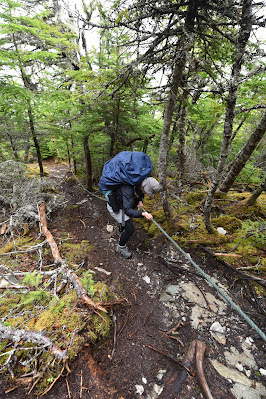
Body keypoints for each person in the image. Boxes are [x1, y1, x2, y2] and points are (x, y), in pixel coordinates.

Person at [107, 177, 161, 259]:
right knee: (130, 228)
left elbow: (140, 194)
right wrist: (142, 214)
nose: (146, 193)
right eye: (146, 191)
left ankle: (121, 231)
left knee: (125, 221)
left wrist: (140, 201)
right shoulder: (128, 188)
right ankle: (120, 247)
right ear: (144, 186)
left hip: (123, 204)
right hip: (115, 207)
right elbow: (128, 210)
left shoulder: (137, 183)